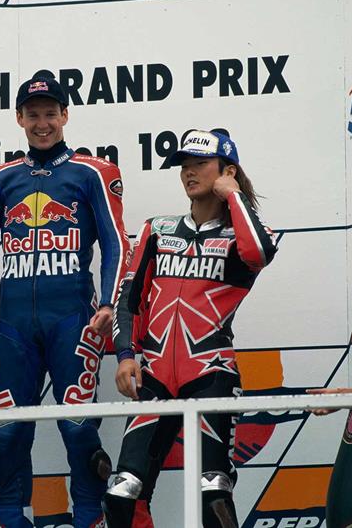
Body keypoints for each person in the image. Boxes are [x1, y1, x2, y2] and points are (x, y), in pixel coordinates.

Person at [0, 72, 129, 528]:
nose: (42, 122)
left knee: (78, 427)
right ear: (19, 119)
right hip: (13, 327)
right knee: (7, 431)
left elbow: (116, 242)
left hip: (74, 320)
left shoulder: (94, 171)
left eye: (51, 113)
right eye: (33, 114)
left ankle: (90, 517)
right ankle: (12, 517)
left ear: (65, 115)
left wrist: (107, 302)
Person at [103, 128, 277, 527]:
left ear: (227, 169)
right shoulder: (157, 229)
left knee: (213, 488)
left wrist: (232, 195)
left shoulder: (244, 234)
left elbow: (259, 254)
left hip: (211, 373)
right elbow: (129, 300)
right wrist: (126, 356)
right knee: (122, 491)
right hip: (155, 375)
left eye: (200, 163)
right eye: (184, 165)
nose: (189, 172)